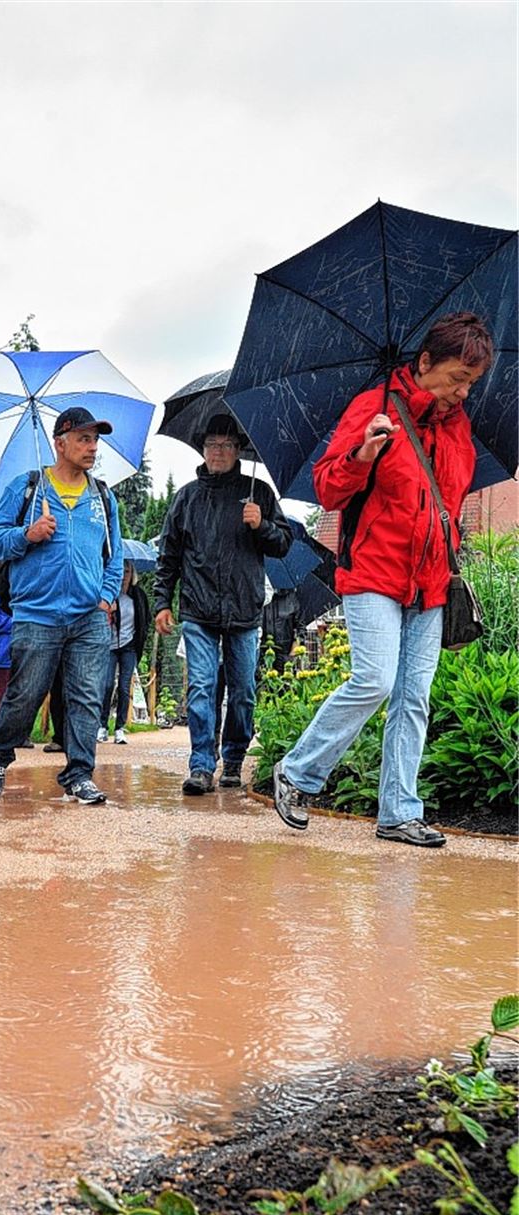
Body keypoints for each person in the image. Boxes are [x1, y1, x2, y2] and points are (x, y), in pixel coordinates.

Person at [272, 311, 494, 848]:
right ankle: (297, 773)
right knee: (375, 680)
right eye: (456, 378)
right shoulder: (373, 409)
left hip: (432, 582)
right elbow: (327, 490)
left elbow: (451, 498)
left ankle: (399, 812)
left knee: (414, 698)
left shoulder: (457, 426)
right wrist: (363, 452)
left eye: (471, 382)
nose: (462, 392)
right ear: (424, 363)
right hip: (374, 571)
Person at [0, 406, 122, 804]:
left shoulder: (103, 496)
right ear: (60, 443)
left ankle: (79, 774)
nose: (92, 448)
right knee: (25, 694)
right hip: (36, 614)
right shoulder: (27, 487)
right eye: (83, 439)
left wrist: (106, 598)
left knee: (86, 697)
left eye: (95, 440)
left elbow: (115, 557)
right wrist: (29, 534)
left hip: (88, 616)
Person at [154, 413, 292, 793]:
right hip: (198, 609)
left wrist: (261, 524)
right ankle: (201, 764)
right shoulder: (186, 498)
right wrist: (161, 602)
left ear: (238, 450)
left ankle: (233, 758)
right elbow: (169, 556)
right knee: (201, 685)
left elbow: (282, 544)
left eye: (227, 445)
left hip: (244, 609)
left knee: (243, 690)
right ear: (202, 449)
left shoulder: (258, 492)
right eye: (212, 444)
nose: (218, 451)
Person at [98, 560, 150, 743]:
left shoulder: (138, 597)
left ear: (132, 574)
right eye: (120, 571)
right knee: (106, 685)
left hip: (129, 646)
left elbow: (145, 620)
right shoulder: (109, 595)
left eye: (127, 571)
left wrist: (139, 640)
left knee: (124, 686)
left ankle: (120, 727)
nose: (123, 575)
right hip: (110, 645)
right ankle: (102, 725)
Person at [0, 588, 34, 746]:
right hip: (3, 653)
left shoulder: (27, 592)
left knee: (25, 694)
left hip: (25, 651)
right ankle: (3, 733)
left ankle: (22, 734)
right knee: (3, 695)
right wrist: (17, 620)